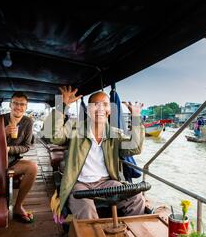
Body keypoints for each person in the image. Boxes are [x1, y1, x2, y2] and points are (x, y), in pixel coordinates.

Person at [46, 86, 146, 220]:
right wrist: (62, 105)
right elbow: (53, 136)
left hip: (106, 182)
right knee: (86, 211)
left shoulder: (115, 134)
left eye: (104, 105)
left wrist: (136, 117)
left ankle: (131, 235)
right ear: (88, 110)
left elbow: (135, 148)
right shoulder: (75, 128)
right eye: (95, 105)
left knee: (137, 198)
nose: (100, 109)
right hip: (79, 184)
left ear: (110, 110)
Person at [4, 92, 38, 223]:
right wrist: (3, 132)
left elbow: (26, 146)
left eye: (22, 104)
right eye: (15, 103)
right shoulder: (0, 119)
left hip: (12, 162)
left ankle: (18, 206)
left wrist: (9, 149)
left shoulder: (28, 122)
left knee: (33, 167)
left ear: (26, 106)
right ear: (10, 105)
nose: (18, 107)